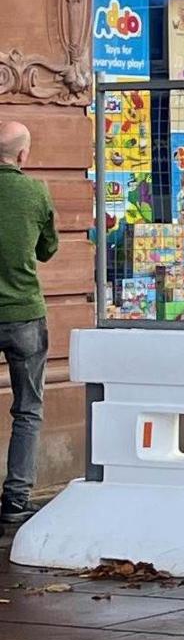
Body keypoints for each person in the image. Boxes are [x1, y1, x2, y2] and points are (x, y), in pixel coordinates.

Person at [0, 121, 55, 524]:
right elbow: (48, 249)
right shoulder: (35, 192)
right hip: (23, 315)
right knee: (28, 409)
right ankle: (16, 501)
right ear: (22, 156)